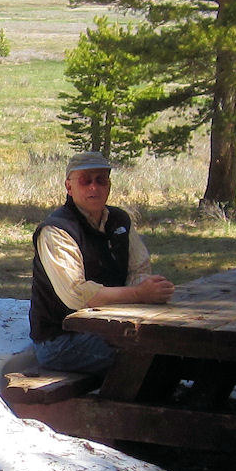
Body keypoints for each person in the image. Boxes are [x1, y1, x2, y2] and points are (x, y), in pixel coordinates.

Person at [29, 151, 175, 374]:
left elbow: (139, 269)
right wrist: (139, 295)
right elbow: (77, 295)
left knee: (174, 349)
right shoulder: (57, 230)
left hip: (110, 329)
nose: (93, 187)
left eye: (101, 180)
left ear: (109, 185)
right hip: (62, 341)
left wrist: (147, 289)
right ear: (69, 187)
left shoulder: (119, 220)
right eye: (85, 180)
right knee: (154, 360)